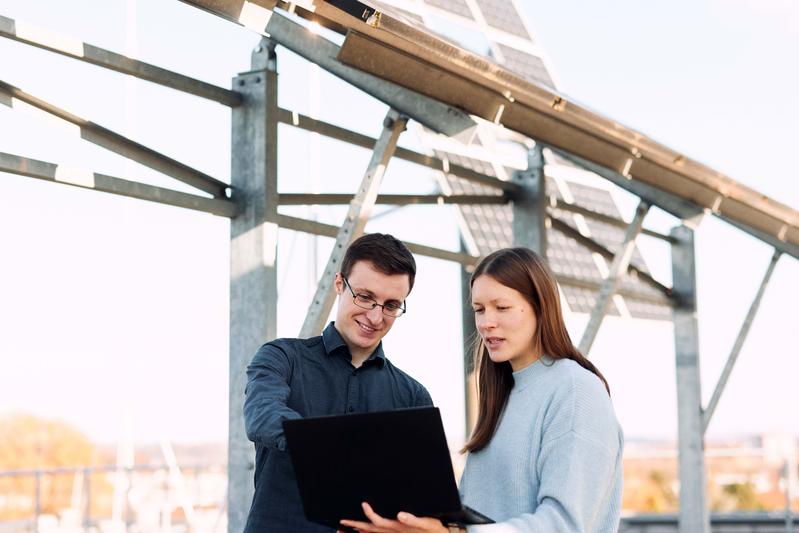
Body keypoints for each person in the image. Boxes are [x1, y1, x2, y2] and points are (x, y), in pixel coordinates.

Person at [340, 247, 623, 533]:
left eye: (502, 308)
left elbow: (565, 525)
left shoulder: (576, 391)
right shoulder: (503, 396)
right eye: (479, 309)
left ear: (541, 306)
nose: (487, 323)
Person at [243, 233, 433, 533]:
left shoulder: (413, 395)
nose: (375, 316)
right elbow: (262, 418)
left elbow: (420, 495)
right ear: (339, 284)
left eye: (391, 305)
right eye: (365, 297)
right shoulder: (282, 357)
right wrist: (346, 453)